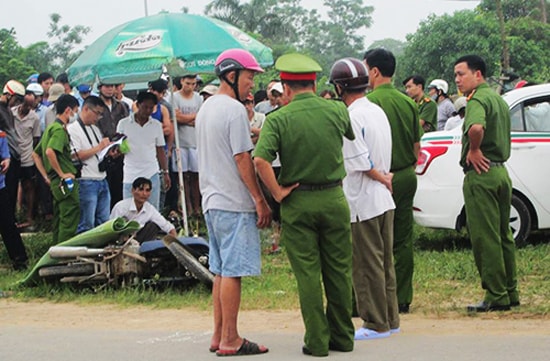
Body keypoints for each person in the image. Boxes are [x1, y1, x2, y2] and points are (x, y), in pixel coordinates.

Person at [254, 53, 355, 357]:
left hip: (298, 201)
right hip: (334, 198)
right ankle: (343, 337)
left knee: (308, 274)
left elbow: (260, 160)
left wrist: (278, 193)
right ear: (313, 82)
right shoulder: (337, 110)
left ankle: (317, 341)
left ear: (285, 88)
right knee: (339, 270)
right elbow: (349, 134)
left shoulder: (278, 119)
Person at [196, 48, 271, 357]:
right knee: (233, 272)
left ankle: (218, 335)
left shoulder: (207, 107)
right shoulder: (234, 110)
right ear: (231, 75)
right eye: (250, 76)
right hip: (233, 201)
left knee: (222, 271)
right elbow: (242, 157)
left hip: (211, 200)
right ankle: (230, 339)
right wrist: (259, 199)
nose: (252, 83)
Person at [330, 57, 400, 340]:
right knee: (385, 263)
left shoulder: (352, 116)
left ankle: (374, 322)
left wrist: (380, 176)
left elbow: (359, 161)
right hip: (383, 198)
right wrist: (384, 177)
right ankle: (391, 318)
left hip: (363, 200)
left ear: (339, 87)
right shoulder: (375, 111)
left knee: (367, 264)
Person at [454, 54, 519, 312]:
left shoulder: (478, 99)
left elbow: (476, 128)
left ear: (477, 74)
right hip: (501, 173)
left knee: (485, 237)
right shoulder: (497, 99)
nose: (457, 79)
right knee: (504, 236)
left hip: (481, 175)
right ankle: (510, 291)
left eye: (461, 74)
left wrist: (474, 149)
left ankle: (496, 295)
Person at [364, 48, 421, 314]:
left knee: (373, 241)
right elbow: (416, 147)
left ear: (374, 71)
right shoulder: (409, 102)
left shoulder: (367, 103)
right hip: (405, 175)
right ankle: (402, 298)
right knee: (403, 238)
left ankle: (376, 299)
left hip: (377, 178)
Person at [32, 94, 81, 244]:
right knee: (69, 218)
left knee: (60, 219)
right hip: (65, 182)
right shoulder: (59, 130)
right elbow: (49, 152)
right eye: (75, 110)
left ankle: (56, 252)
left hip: (55, 181)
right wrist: (62, 173)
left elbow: (35, 154)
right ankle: (65, 255)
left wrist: (46, 176)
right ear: (68, 110)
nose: (75, 115)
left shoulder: (50, 128)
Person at [67, 96, 113, 233]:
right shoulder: (72, 129)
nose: (98, 117)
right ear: (86, 109)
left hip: (102, 178)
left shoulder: (95, 129)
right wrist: (100, 147)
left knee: (104, 221)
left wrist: (109, 151)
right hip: (86, 180)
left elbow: (98, 152)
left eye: (101, 114)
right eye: (97, 113)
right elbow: (75, 155)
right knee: (87, 223)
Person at [117, 92, 170, 211]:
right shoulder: (123, 124)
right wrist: (117, 151)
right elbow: (118, 146)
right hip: (130, 172)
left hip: (151, 172)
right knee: (128, 210)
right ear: (138, 105)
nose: (148, 110)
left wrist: (165, 172)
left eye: (151, 108)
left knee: (153, 210)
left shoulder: (156, 125)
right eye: (145, 107)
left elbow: (160, 150)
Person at [110, 177, 176, 243]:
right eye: (141, 190)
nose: (144, 194)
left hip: (139, 239)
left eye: (147, 190)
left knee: (153, 226)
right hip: (120, 241)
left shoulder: (150, 209)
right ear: (133, 190)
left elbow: (166, 225)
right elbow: (111, 228)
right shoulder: (121, 207)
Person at [95, 81, 129, 208]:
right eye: (107, 86)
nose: (110, 89)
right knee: (105, 190)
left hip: (120, 151)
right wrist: (106, 148)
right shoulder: (95, 106)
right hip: (102, 152)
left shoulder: (122, 106)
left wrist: (121, 148)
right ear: (100, 88)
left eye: (112, 86)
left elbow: (126, 128)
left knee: (119, 188)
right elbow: (94, 129)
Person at [172, 74, 203, 217]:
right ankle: (187, 207)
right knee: (183, 176)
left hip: (195, 142)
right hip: (180, 142)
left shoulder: (199, 98)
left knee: (196, 176)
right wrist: (192, 117)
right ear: (181, 82)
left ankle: (197, 207)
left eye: (193, 84)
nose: (190, 87)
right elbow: (176, 117)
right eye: (188, 83)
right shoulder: (174, 97)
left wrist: (185, 119)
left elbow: (201, 118)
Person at [13, 86, 41, 229]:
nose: (27, 108)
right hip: (12, 155)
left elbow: (36, 139)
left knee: (29, 186)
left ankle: (29, 218)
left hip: (27, 157)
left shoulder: (34, 118)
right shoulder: (12, 113)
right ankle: (12, 216)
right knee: (11, 186)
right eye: (26, 105)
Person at [0, 126, 28, 270]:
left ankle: (20, 259)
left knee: (7, 223)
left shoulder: (1, 135)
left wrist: (6, 161)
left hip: (0, 187)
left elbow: (6, 157)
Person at [0, 80, 25, 221]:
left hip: (14, 156)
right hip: (5, 157)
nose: (17, 103)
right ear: (9, 95)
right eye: (16, 99)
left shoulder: (8, 110)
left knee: (12, 192)